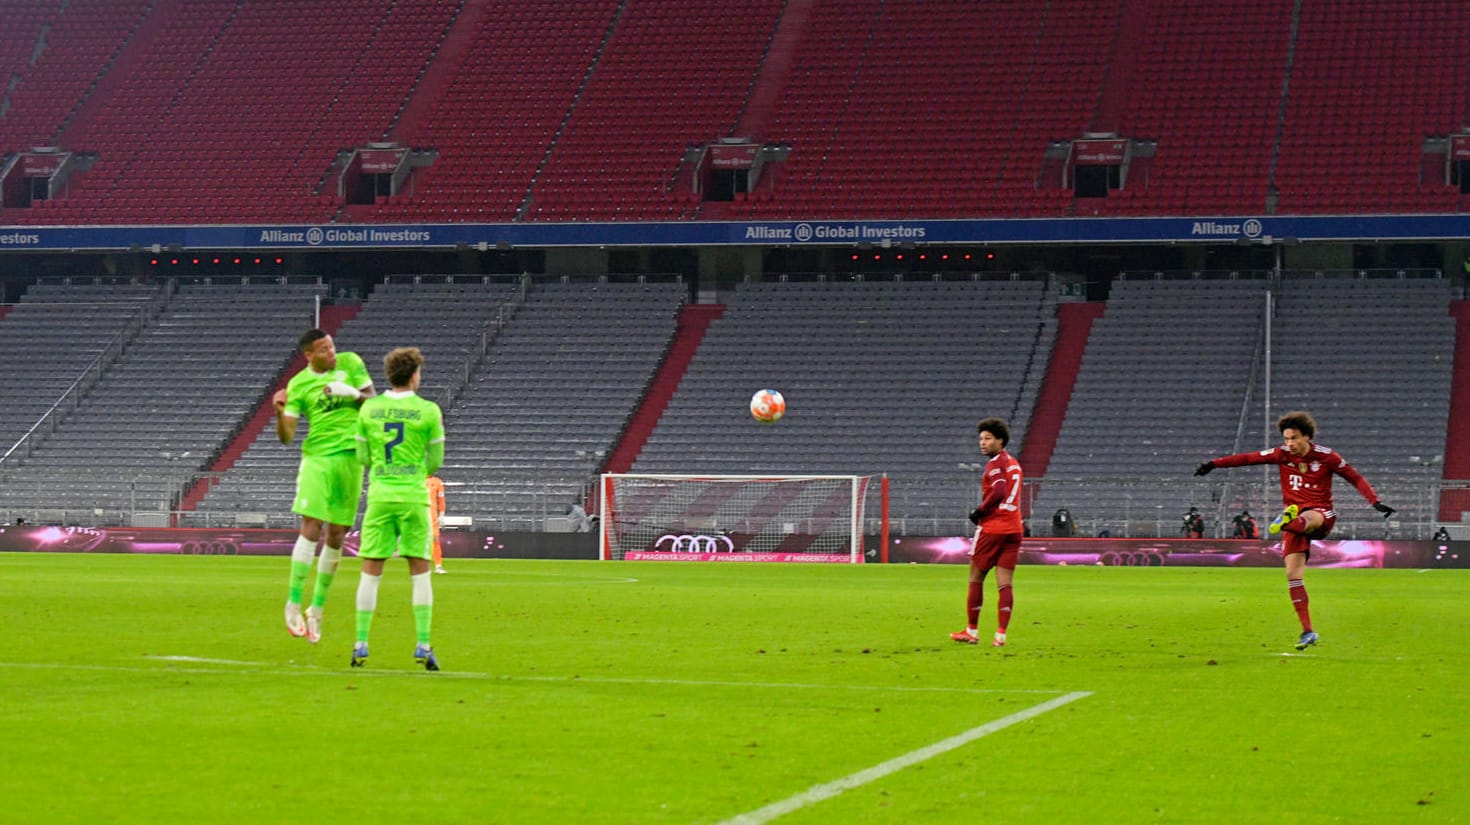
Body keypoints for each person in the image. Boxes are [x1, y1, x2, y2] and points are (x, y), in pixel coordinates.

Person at [1195, 410, 1394, 650]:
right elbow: (1248, 458)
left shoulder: (1326, 456)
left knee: (1307, 516)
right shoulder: (1281, 455)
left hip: (1320, 515)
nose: (1290, 443)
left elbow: (1355, 478)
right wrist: (1214, 465)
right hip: (1295, 520)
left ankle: (1289, 519)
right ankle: (1308, 631)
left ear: (1307, 437)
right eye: (1286, 438)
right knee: (1293, 576)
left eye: (1294, 438)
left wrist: (1374, 501)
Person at [273, 328, 375, 643]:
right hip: (317, 457)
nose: (331, 353)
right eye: (324, 350)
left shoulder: (352, 362)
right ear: (309, 356)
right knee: (311, 524)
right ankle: (292, 602)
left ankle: (316, 609)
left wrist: (352, 393)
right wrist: (279, 414)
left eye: (332, 347)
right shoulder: (299, 384)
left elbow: (373, 403)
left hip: (352, 458)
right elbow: (287, 436)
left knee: (337, 534)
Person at [350, 347, 446, 671]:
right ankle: (422, 644)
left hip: (380, 497)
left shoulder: (370, 410)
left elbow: (362, 458)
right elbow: (436, 462)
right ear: (415, 374)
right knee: (420, 573)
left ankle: (361, 643)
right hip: (414, 498)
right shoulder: (429, 411)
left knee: (371, 571)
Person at [951, 417, 1024, 648]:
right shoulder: (1013, 463)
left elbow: (1000, 490)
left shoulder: (995, 464)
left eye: (988, 438)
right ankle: (1000, 635)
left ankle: (971, 630)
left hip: (994, 527)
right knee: (1005, 583)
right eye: (981, 439)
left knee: (976, 577)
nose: (982, 443)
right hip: (1014, 527)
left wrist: (979, 511)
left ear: (1000, 441)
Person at [427, 474, 446, 574]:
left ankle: (438, 566)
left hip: (432, 516)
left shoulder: (437, 482)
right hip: (419, 515)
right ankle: (422, 567)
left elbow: (441, 499)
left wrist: (442, 514)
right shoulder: (416, 479)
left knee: (435, 540)